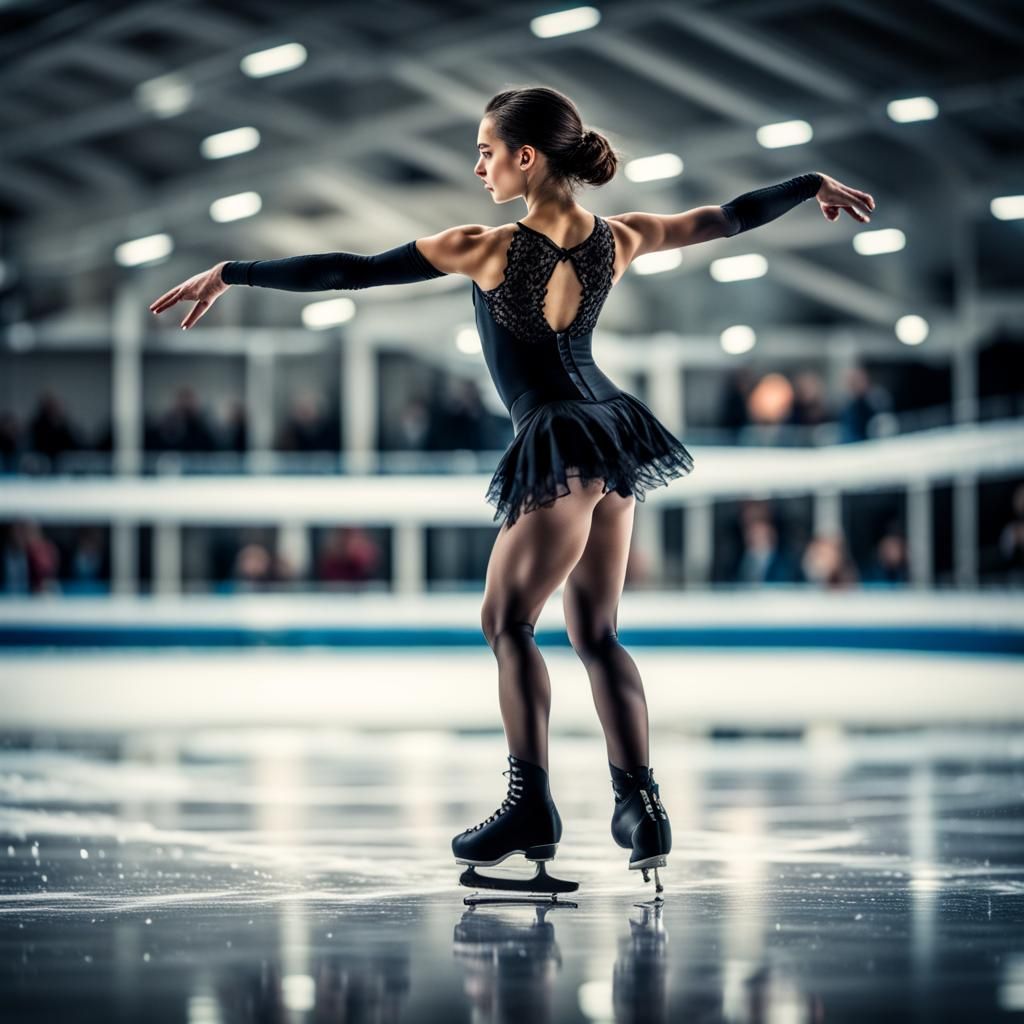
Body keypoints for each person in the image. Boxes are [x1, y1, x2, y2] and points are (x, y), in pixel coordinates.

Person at [148, 86, 876, 902]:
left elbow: (350, 270)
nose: (479, 165)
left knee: (506, 621)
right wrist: (809, 182)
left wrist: (233, 272)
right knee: (595, 632)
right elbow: (724, 217)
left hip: (562, 439)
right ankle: (641, 810)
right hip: (611, 429)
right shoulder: (620, 238)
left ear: (526, 157)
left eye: (487, 150)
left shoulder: (487, 246)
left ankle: (531, 806)